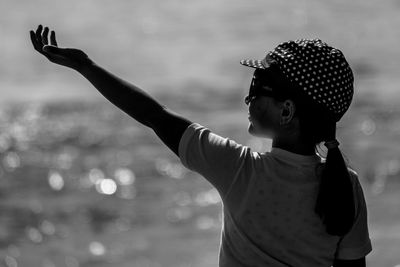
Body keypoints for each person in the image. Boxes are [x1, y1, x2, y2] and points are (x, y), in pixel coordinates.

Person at [30, 25, 372, 266]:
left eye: (258, 87)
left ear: (286, 111)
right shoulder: (348, 187)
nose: (247, 97)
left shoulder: (240, 170)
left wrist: (85, 66)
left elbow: (153, 115)